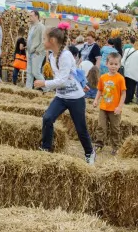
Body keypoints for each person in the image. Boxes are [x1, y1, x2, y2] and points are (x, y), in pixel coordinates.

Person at [34, 24, 96, 165]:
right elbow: (62, 78)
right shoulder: (51, 56)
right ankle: (46, 148)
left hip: (76, 98)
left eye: (44, 39)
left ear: (53, 41)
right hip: (61, 97)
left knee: (80, 128)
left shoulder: (66, 56)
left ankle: (89, 152)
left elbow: (61, 80)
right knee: (48, 118)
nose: (43, 41)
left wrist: (44, 84)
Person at [93, 52, 126, 155]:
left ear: (119, 65)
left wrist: (119, 107)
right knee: (101, 127)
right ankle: (99, 144)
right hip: (103, 107)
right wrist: (96, 100)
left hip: (114, 109)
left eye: (116, 64)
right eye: (111, 64)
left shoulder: (120, 78)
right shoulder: (103, 77)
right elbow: (100, 90)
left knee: (115, 128)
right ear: (106, 64)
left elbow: (123, 94)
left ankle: (116, 146)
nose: (113, 66)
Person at [121, 37, 138, 105]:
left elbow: (122, 61)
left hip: (125, 71)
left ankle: (123, 99)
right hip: (134, 73)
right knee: (131, 87)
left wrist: (122, 67)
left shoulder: (127, 50)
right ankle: (127, 100)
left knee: (124, 87)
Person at [25, 10, 46, 89]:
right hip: (30, 52)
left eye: (31, 16)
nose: (29, 17)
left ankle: (47, 89)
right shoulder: (31, 26)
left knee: (36, 73)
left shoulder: (41, 26)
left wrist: (38, 50)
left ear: (36, 16)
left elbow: (44, 40)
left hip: (37, 53)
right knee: (29, 72)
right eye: (29, 16)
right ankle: (28, 90)